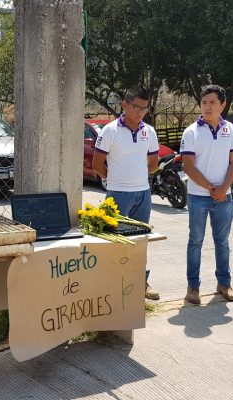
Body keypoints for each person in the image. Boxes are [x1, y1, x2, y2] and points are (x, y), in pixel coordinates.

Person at [92, 86, 160, 300]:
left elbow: (153, 163)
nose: (139, 112)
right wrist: (114, 180)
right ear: (124, 105)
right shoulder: (110, 130)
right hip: (118, 193)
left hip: (143, 193)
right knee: (115, 240)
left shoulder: (149, 132)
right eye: (135, 107)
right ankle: (114, 284)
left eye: (144, 108)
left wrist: (137, 178)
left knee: (141, 240)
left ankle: (141, 282)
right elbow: (96, 164)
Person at [180, 85, 233, 304]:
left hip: (224, 196)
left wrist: (224, 188)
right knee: (195, 241)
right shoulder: (191, 132)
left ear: (223, 105)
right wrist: (211, 188)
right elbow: (188, 167)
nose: (207, 107)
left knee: (222, 242)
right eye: (204, 102)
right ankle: (193, 287)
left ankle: (224, 283)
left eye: (213, 102)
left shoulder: (231, 130)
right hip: (198, 196)